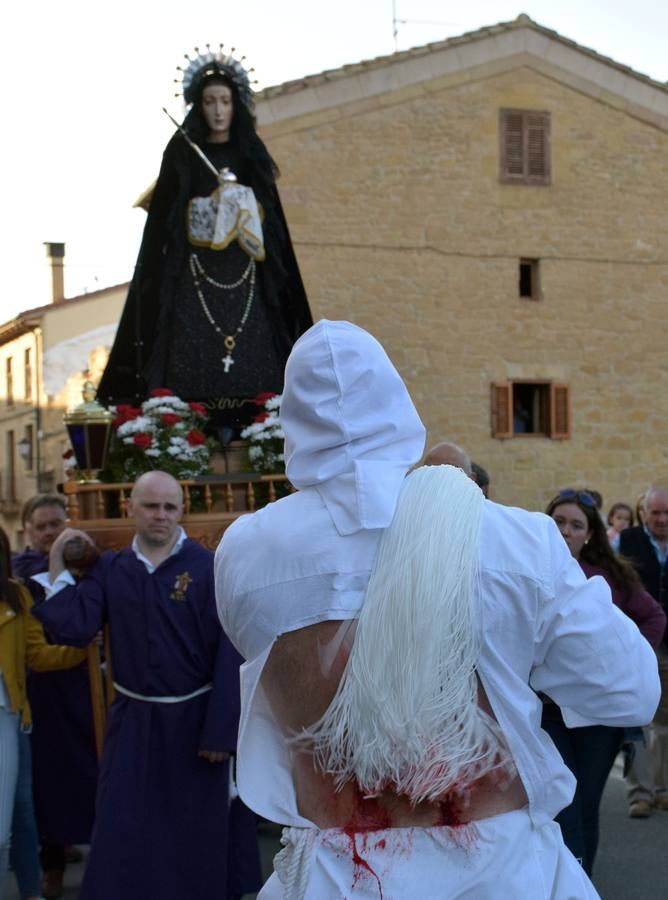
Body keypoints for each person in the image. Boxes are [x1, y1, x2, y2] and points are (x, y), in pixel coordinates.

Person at [215, 320, 659, 899]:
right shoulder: (510, 538)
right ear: (398, 404)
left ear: (292, 421)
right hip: (499, 873)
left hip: (335, 875)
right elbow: (628, 690)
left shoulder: (247, 553)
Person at [30, 471, 261, 900]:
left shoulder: (206, 568)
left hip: (194, 725)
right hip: (132, 723)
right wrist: (57, 563)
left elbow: (229, 652)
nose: (161, 515)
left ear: (181, 511)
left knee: (191, 833)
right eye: (151, 506)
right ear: (130, 508)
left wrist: (220, 733)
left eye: (170, 507)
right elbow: (74, 627)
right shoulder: (111, 568)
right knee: (124, 826)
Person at [97, 47, 312, 433]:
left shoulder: (251, 152)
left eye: (225, 101)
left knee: (257, 359)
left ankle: (263, 420)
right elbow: (166, 217)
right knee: (189, 358)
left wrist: (244, 202)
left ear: (236, 106)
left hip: (246, 273)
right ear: (198, 105)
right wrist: (210, 206)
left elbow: (271, 222)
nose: (217, 110)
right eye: (210, 101)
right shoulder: (182, 151)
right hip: (195, 277)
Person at [541, 488, 665, 873]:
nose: (566, 531)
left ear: (590, 534)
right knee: (561, 805)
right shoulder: (531, 571)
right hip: (548, 712)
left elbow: (654, 617)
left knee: (586, 803)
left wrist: (623, 663)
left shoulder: (610, 575)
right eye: (558, 522)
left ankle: (582, 883)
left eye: (576, 525)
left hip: (599, 717)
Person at [13, 494, 97, 900]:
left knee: (92, 770)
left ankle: (102, 861)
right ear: (29, 531)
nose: (49, 532)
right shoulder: (21, 572)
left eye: (56, 524)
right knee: (48, 782)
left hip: (84, 687)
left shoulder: (87, 567)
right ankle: (53, 866)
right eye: (42, 526)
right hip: (43, 689)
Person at [619, 486, 668, 818]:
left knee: (665, 721)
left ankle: (663, 789)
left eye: (667, 513)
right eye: (656, 513)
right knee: (638, 718)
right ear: (644, 512)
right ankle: (639, 793)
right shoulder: (626, 541)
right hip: (640, 641)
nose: (662, 519)